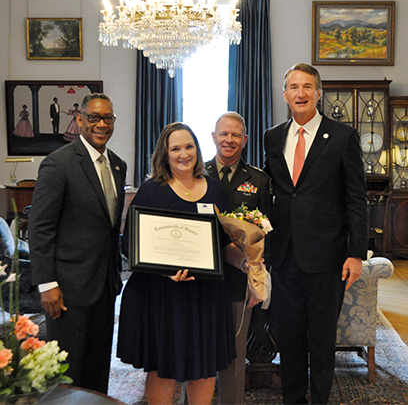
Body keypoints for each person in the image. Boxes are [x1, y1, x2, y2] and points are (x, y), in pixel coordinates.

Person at [117, 122, 246, 405]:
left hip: (206, 296)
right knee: (163, 368)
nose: (183, 154)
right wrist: (166, 271)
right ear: (165, 154)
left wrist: (246, 260)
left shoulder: (213, 189)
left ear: (198, 151)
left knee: (203, 367)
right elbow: (130, 245)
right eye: (175, 148)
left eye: (189, 147)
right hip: (163, 297)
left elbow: (221, 243)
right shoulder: (152, 190)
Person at [263, 63, 368, 404]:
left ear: (318, 93)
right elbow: (274, 192)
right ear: (285, 95)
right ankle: (293, 399)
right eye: (294, 87)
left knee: (322, 339)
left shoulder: (342, 136)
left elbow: (356, 198)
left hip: (328, 257)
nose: (301, 93)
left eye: (307, 87)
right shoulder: (273, 136)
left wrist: (356, 253)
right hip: (284, 255)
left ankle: (320, 398)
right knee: (289, 337)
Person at [28, 92, 127, 394]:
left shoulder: (118, 165)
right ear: (80, 119)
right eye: (94, 117)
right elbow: (40, 228)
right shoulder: (59, 164)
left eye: (107, 118)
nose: (101, 124)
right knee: (68, 373)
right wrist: (47, 284)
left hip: (105, 285)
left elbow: (109, 228)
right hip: (68, 289)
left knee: (98, 366)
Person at [205, 112, 272, 405]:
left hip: (239, 280)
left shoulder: (259, 179)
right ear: (213, 137)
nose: (229, 140)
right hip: (200, 278)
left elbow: (269, 231)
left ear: (245, 140)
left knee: (234, 352)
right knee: (198, 348)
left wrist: (257, 279)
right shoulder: (195, 173)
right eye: (223, 134)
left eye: (235, 135)